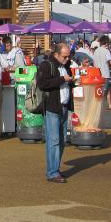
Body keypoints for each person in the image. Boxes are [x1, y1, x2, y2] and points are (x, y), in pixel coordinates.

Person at [37, 43, 75, 183]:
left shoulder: (65, 66)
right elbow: (42, 84)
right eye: (64, 56)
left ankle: (55, 169)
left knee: (62, 140)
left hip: (64, 107)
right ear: (56, 54)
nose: (67, 59)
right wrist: (62, 79)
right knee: (54, 141)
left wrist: (73, 80)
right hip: (52, 107)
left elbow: (68, 83)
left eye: (68, 56)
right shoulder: (46, 65)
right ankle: (52, 172)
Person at [94, 35, 111, 111]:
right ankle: (98, 107)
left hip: (97, 73)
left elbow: (94, 62)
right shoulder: (106, 51)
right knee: (104, 91)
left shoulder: (96, 51)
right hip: (105, 73)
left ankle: (110, 105)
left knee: (107, 89)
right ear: (106, 43)